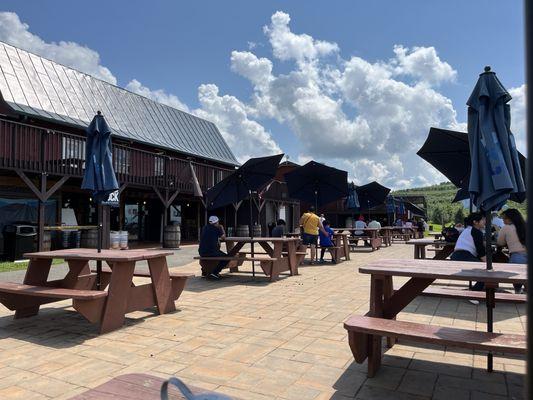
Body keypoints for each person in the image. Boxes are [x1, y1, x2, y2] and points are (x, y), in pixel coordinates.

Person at [450, 212, 486, 293]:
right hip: (464, 256)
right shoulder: (476, 232)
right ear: (475, 222)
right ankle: (473, 293)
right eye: (483, 219)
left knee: (483, 270)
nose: (485, 221)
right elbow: (481, 252)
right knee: (485, 272)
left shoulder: (467, 230)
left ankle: (476, 290)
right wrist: (489, 264)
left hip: (456, 256)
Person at [497, 209, 527, 293]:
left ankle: (518, 293)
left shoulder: (506, 228)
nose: (503, 221)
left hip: (517, 256)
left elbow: (500, 242)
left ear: (510, 219)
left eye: (504, 219)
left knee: (517, 280)